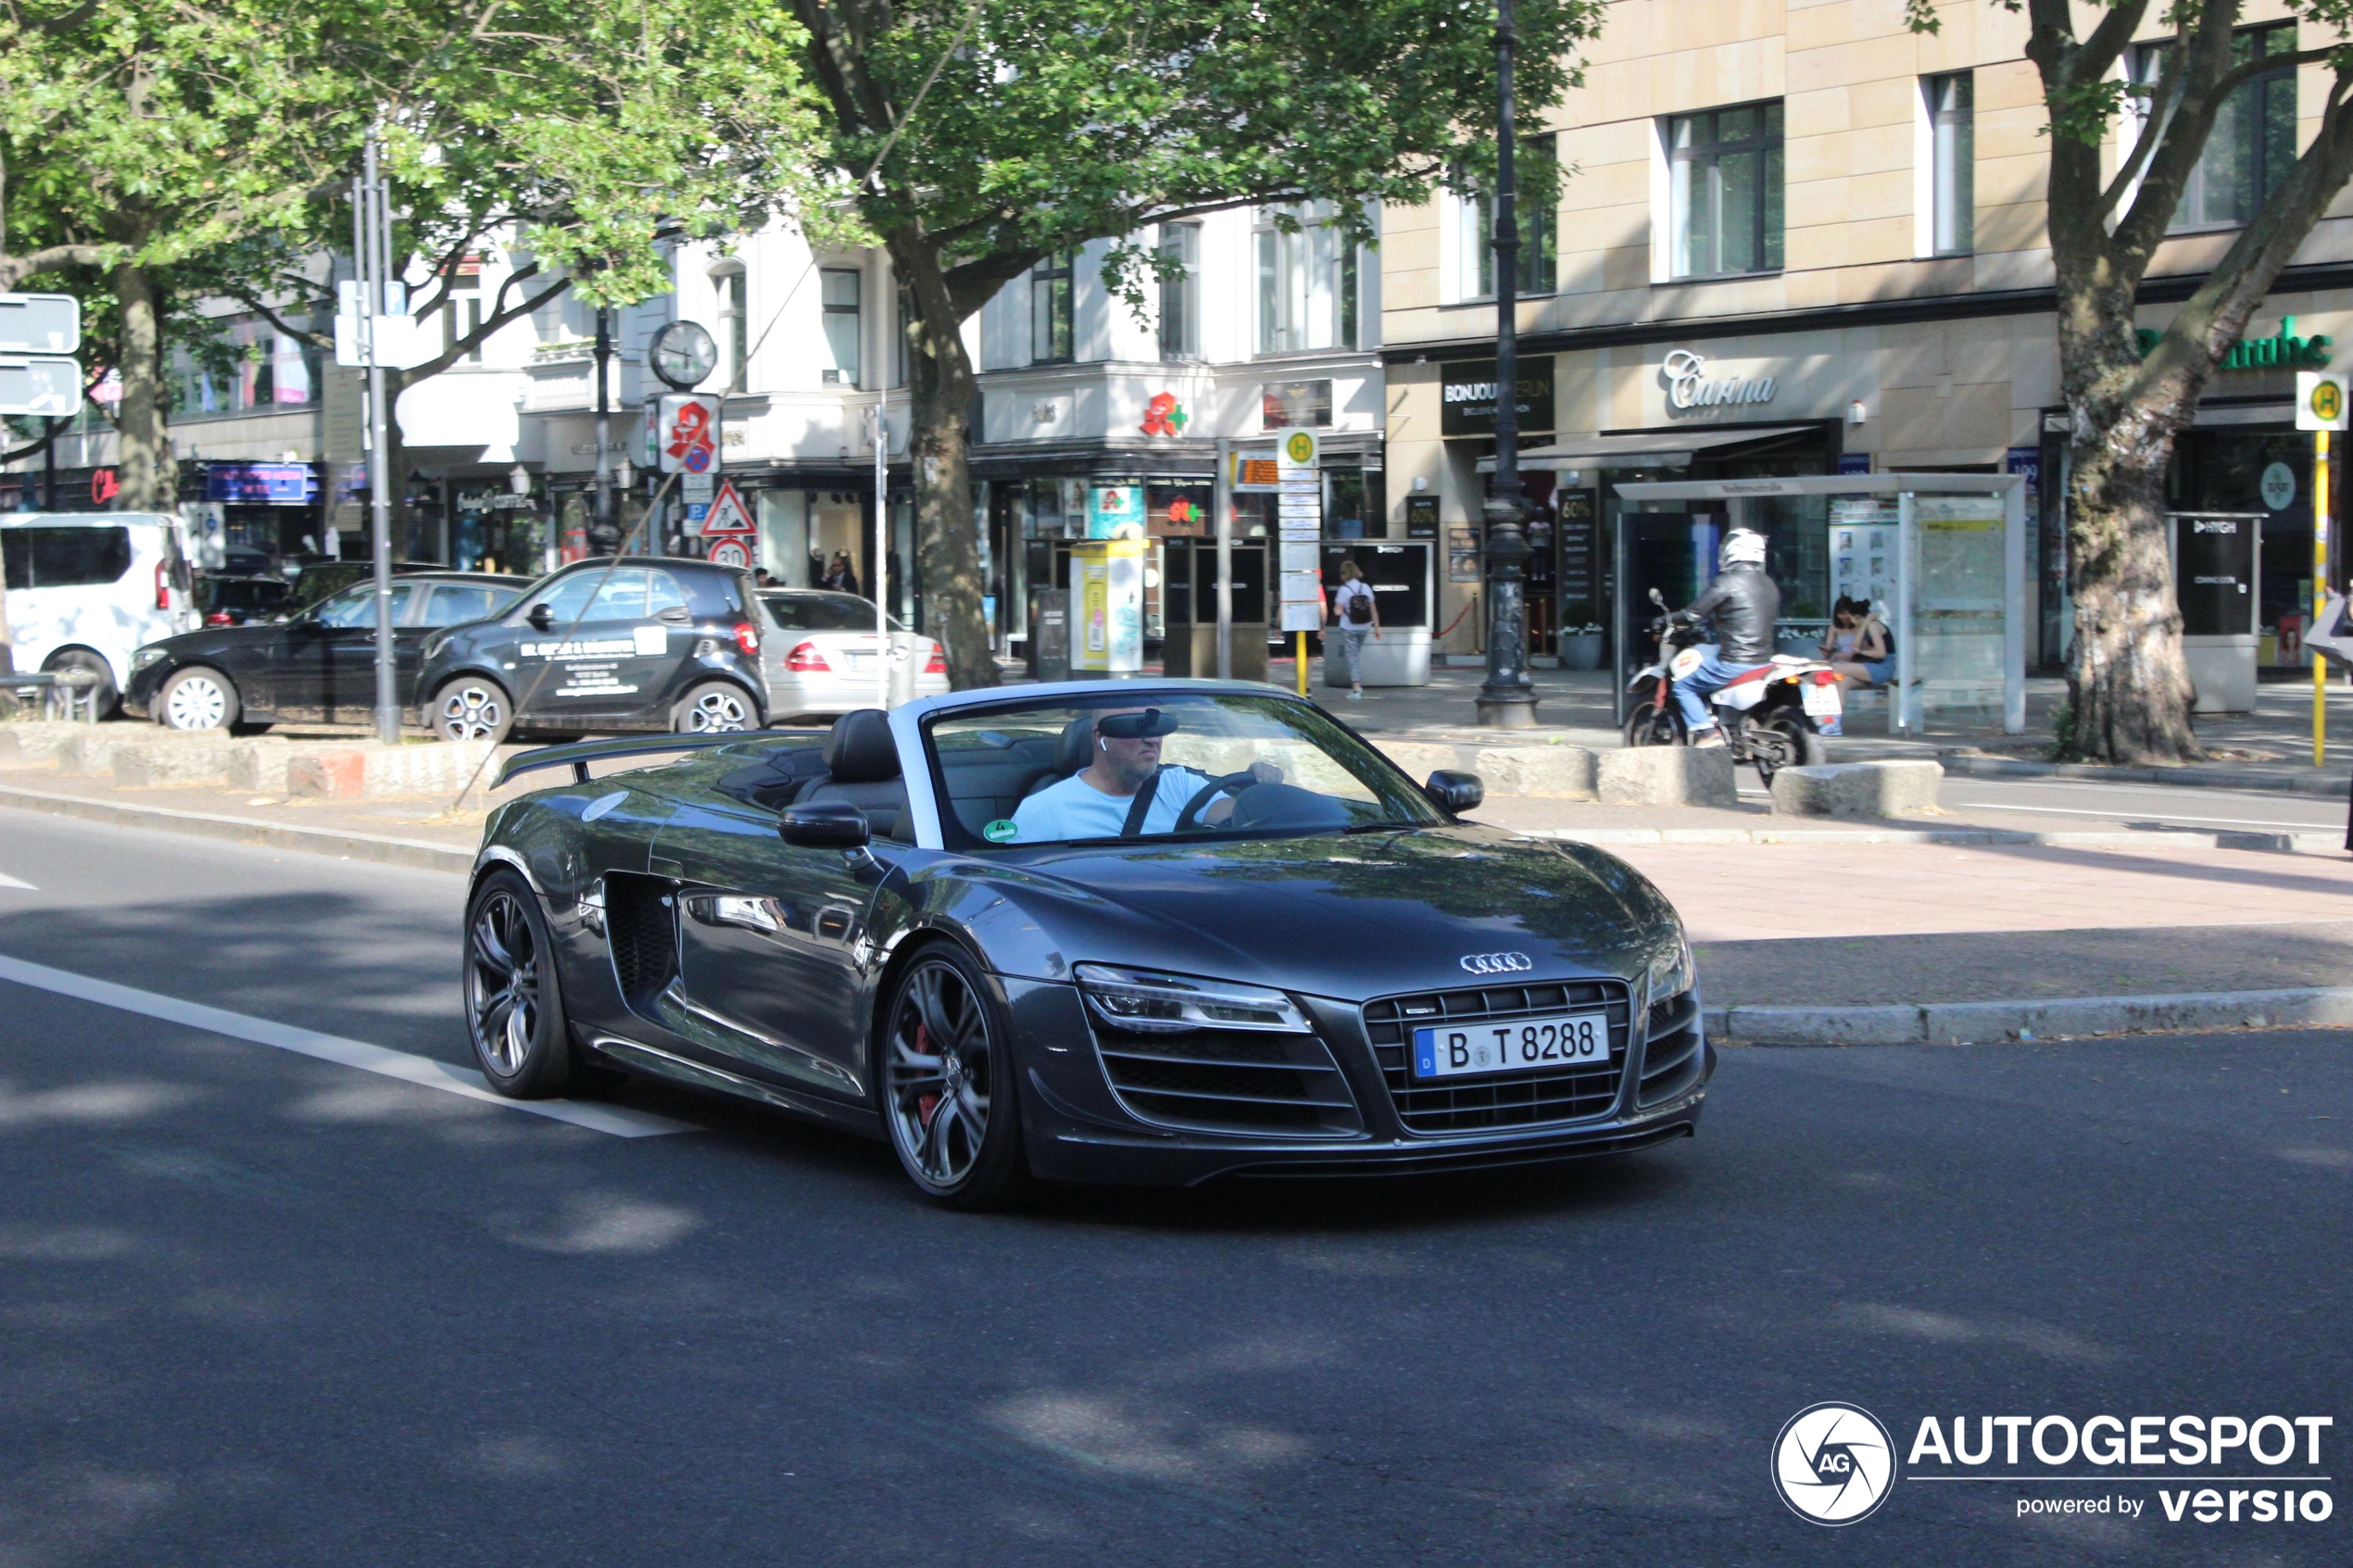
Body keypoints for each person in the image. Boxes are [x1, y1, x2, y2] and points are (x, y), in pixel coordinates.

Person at [1010, 707, 1270, 841]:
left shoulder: (1179, 785)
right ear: (1102, 739)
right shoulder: (1044, 811)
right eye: (1135, 727)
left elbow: (1237, 816)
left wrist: (1262, 793)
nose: (1151, 738)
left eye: (1157, 727)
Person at [1669, 526, 1780, 747]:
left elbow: (1693, 613)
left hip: (1735, 662)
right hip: (1764, 661)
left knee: (1683, 685)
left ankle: (1707, 732)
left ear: (1731, 550)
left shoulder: (1726, 581)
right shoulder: (1769, 584)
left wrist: (1668, 620)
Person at [1327, 560, 1381, 701]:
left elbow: (1337, 612)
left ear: (1344, 574)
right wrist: (1377, 628)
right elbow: (1373, 610)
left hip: (1349, 627)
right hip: (1364, 627)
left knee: (1352, 657)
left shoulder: (1344, 590)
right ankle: (1356, 685)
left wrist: (1339, 608)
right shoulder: (1365, 588)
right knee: (1355, 654)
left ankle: (1356, 688)